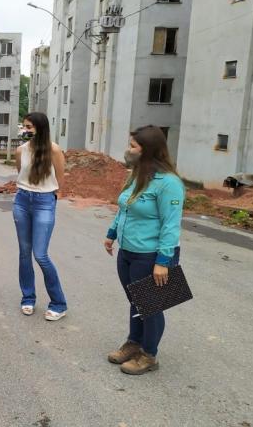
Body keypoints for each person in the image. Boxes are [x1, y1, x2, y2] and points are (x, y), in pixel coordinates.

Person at [104, 125, 185, 375]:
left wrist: (163, 261)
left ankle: (149, 355)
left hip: (151, 256)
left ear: (148, 150)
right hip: (128, 252)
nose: (128, 150)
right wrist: (112, 233)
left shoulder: (169, 183)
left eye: (133, 146)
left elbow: (171, 225)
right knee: (135, 300)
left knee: (150, 305)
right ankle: (134, 343)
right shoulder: (138, 174)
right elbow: (124, 208)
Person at [12, 112, 68, 320]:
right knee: (24, 253)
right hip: (22, 201)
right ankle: (28, 297)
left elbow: (60, 180)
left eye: (29, 127)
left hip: (44, 202)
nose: (25, 130)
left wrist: (51, 198)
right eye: (24, 126)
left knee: (41, 255)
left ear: (40, 128)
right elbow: (21, 174)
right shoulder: (21, 150)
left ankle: (59, 303)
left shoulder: (54, 150)